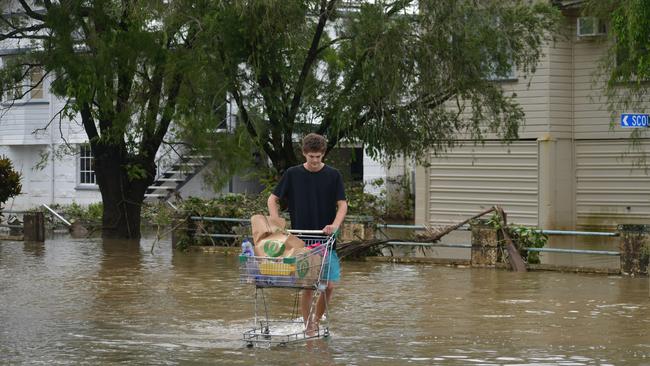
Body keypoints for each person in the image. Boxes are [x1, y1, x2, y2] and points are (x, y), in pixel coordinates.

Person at [267, 133, 348, 335]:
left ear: (323, 155)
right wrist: (276, 221)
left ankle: (316, 321)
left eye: (318, 157)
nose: (314, 160)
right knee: (309, 286)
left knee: (329, 286)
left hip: (327, 239)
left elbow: (342, 204)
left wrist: (334, 225)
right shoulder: (292, 174)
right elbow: (272, 199)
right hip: (302, 240)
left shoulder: (333, 175)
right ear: (304, 153)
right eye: (311, 156)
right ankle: (308, 327)